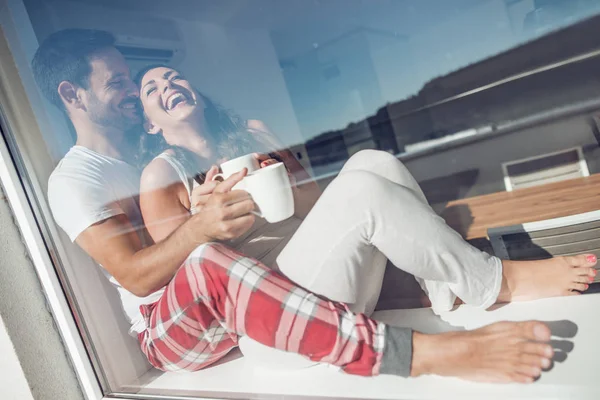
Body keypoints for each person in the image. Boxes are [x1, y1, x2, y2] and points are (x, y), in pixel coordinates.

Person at [29, 28, 591, 385]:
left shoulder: (162, 150)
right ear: (73, 96)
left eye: (150, 80)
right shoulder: (101, 177)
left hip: (294, 277)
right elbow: (146, 271)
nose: (139, 90)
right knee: (350, 194)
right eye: (125, 84)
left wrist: (272, 169)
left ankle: (453, 288)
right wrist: (200, 223)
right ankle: (495, 285)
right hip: (230, 314)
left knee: (371, 164)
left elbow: (329, 208)